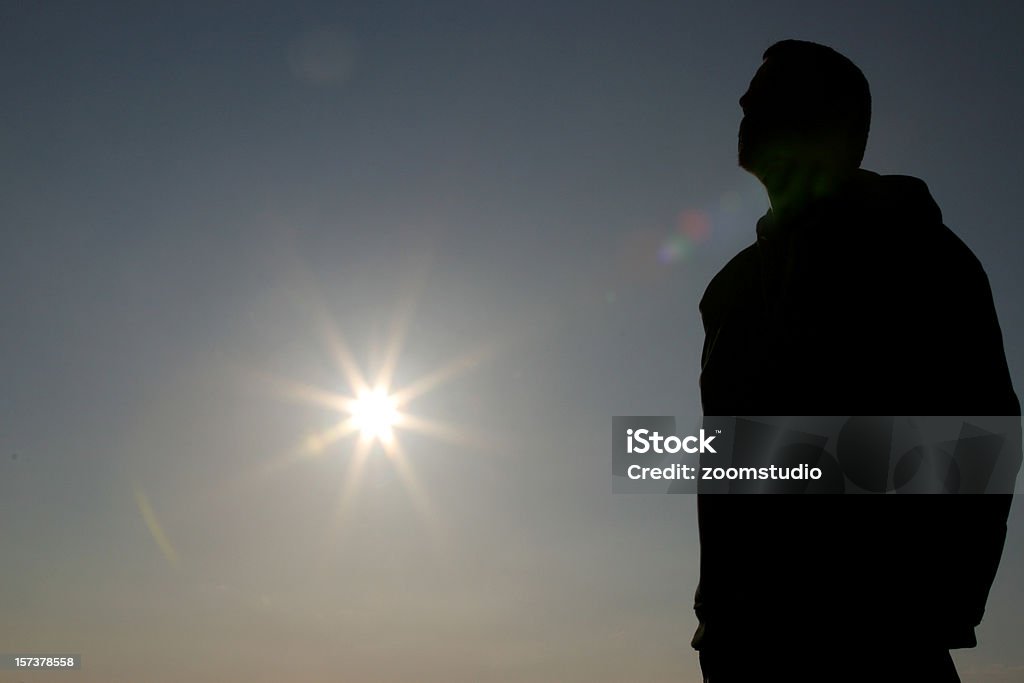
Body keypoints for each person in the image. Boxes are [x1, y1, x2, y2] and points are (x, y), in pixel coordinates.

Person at [693, 40, 1020, 682]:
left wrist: (918, 614)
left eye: (773, 88)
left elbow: (981, 441)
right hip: (741, 641)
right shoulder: (728, 289)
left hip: (877, 640)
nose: (744, 100)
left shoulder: (918, 253)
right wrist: (720, 617)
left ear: (838, 120)